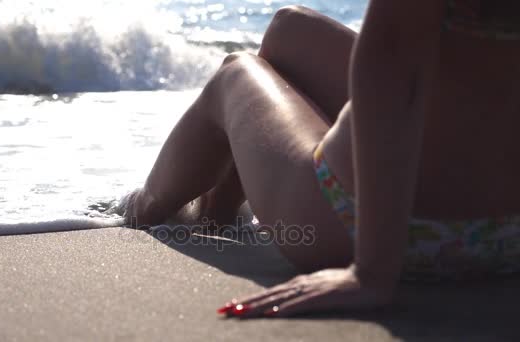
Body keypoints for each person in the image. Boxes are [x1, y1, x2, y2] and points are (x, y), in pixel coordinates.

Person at [116, 0, 520, 317]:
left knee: (235, 72)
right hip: (509, 232)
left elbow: (393, 56)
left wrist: (372, 273)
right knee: (288, 27)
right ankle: (217, 215)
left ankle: (147, 206)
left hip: (387, 230)